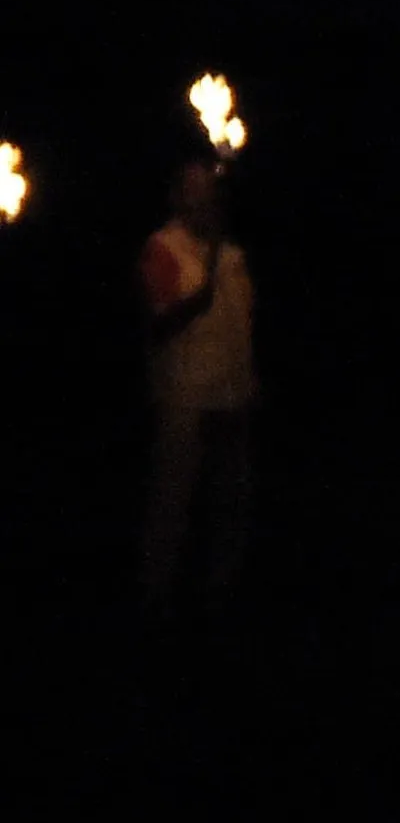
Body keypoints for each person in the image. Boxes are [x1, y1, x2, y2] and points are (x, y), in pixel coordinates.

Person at [137, 156, 257, 618]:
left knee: (231, 498)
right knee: (173, 500)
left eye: (207, 186)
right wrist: (196, 301)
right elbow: (158, 322)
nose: (202, 194)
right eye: (192, 187)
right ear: (175, 197)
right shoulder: (162, 247)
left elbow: (243, 321)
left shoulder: (231, 253)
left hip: (233, 393)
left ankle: (221, 592)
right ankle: (157, 595)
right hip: (185, 396)